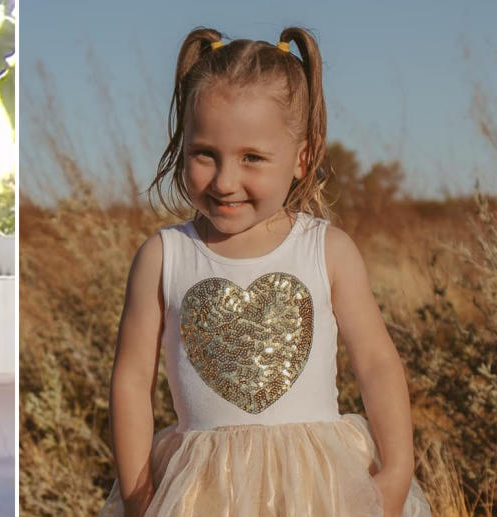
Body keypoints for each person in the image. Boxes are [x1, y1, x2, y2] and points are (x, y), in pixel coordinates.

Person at [101, 28, 432, 517]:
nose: (225, 181)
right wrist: (137, 495)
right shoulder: (164, 257)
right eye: (204, 154)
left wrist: (397, 472)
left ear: (302, 158)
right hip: (202, 494)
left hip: (320, 488)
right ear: (183, 145)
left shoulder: (328, 250)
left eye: (252, 158)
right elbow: (130, 380)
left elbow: (377, 364)